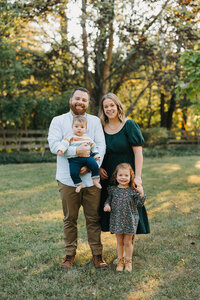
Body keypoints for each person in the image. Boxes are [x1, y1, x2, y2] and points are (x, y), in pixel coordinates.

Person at [48, 87, 107, 270]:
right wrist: (76, 151)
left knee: (93, 218)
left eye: (84, 100)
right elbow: (54, 145)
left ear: (88, 103)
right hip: (67, 180)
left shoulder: (95, 121)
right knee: (70, 219)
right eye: (78, 99)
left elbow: (100, 145)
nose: (81, 102)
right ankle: (69, 254)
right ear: (71, 100)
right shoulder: (58, 121)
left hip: (91, 180)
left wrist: (92, 164)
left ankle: (97, 254)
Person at [98, 92, 150, 253]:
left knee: (129, 210)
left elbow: (138, 153)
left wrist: (138, 177)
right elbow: (97, 150)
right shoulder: (100, 127)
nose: (109, 109)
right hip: (108, 178)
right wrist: (98, 167)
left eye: (112, 105)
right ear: (103, 109)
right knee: (115, 211)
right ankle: (120, 248)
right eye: (106, 106)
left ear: (118, 106)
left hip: (126, 176)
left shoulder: (129, 125)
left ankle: (128, 249)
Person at [104, 163, 146, 272]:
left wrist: (141, 193)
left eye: (126, 175)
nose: (123, 178)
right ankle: (120, 261)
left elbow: (140, 204)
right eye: (120, 175)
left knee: (127, 242)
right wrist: (107, 205)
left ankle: (128, 262)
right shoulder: (113, 190)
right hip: (117, 219)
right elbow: (108, 199)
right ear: (116, 176)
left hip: (129, 219)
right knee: (119, 242)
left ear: (130, 177)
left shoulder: (132, 190)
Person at [57, 115, 102, 193]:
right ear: (72, 127)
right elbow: (64, 143)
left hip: (87, 157)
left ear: (85, 128)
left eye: (82, 127)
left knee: (95, 166)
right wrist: (61, 150)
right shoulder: (71, 137)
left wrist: (96, 155)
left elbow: (93, 146)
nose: (79, 128)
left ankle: (95, 180)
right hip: (74, 159)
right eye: (76, 126)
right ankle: (78, 184)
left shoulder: (87, 138)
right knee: (73, 172)